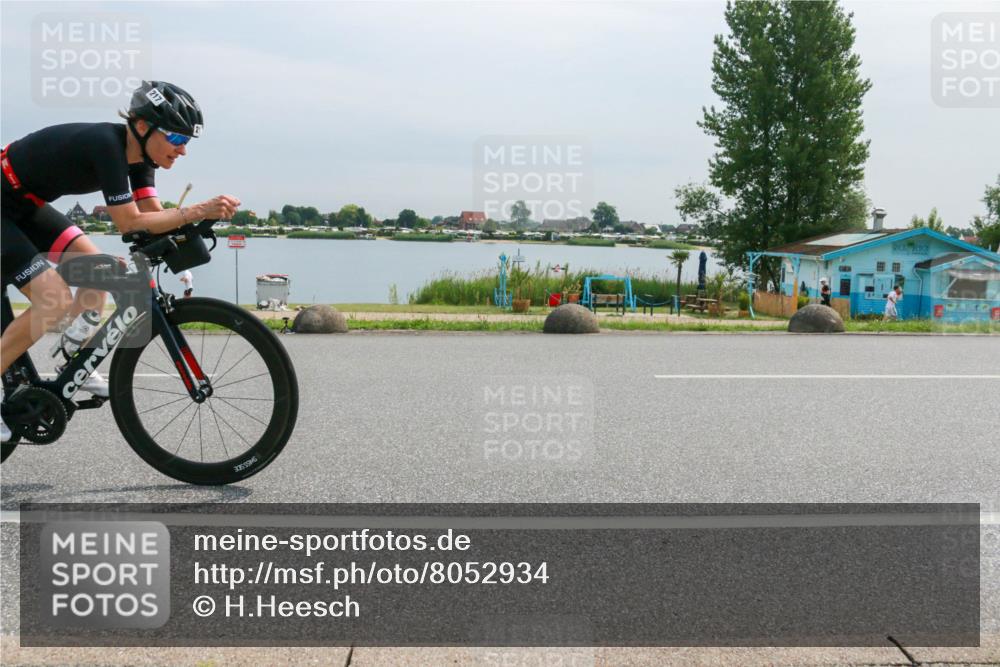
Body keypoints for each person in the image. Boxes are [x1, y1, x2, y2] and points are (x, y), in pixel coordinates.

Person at [1, 81, 240, 443]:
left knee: (100, 270)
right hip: (6, 204)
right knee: (54, 300)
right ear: (142, 127)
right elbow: (128, 222)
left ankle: (73, 354)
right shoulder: (107, 146)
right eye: (176, 138)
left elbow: (154, 216)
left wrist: (183, 237)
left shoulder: (141, 160)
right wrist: (198, 209)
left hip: (25, 205)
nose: (183, 150)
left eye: (187, 142)